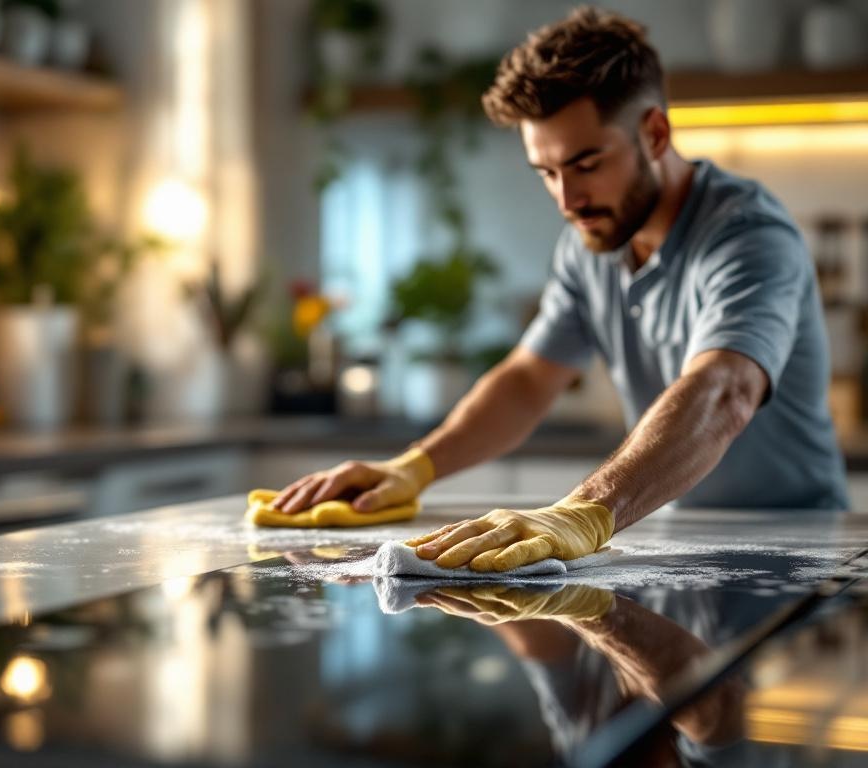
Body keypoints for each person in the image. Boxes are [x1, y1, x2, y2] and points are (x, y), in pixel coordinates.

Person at [271, 7, 849, 571]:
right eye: (547, 172)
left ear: (654, 133)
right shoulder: (590, 242)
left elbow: (724, 390)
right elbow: (527, 381)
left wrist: (582, 514)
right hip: (677, 538)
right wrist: (414, 468)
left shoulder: (748, 235)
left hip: (800, 546)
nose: (568, 200)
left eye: (587, 162)